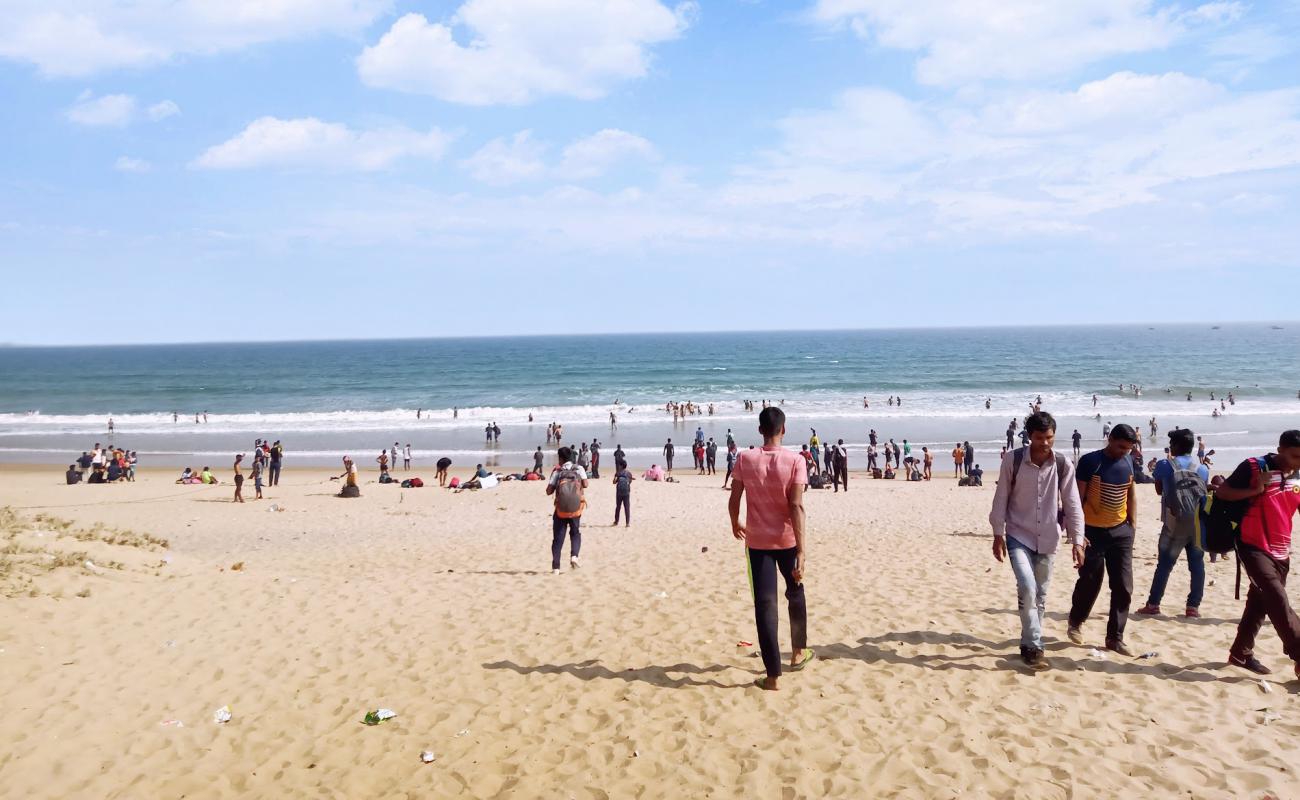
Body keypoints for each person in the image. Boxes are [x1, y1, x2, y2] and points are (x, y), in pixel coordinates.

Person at [990, 411, 1085, 669]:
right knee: (1028, 587)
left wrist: (1077, 539)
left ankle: (1028, 642)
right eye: (1039, 437)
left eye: (1049, 437)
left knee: (1040, 595)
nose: (1045, 443)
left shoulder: (1063, 464)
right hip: (1018, 534)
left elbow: (1072, 502)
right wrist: (998, 533)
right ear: (1029, 436)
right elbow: (1001, 496)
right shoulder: (1014, 459)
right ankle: (1034, 645)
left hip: (1049, 537)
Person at [728, 406, 812, 691]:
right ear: (783, 429)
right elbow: (796, 504)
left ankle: (773, 676)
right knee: (795, 592)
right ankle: (798, 653)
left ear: (760, 430)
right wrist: (801, 549)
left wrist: (734, 521)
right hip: (788, 541)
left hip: (758, 543)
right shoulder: (795, 461)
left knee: (765, 605)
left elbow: (735, 496)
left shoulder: (745, 458)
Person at [1218, 430, 1300, 676]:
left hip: (1282, 549)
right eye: (1295, 456)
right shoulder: (1254, 467)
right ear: (1280, 449)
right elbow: (1223, 493)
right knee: (1275, 595)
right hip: (1252, 545)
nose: (1298, 462)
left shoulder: (1298, 476)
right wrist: (1254, 490)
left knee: (1260, 602)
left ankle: (1240, 654)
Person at [1067, 424, 1139, 655]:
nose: (1124, 452)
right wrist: (1078, 534)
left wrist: (1132, 525)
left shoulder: (1128, 461)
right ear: (1110, 439)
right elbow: (1076, 499)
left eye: (1128, 448)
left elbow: (1131, 492)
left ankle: (1115, 638)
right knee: (1090, 581)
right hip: (1092, 532)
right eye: (1120, 446)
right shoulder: (1090, 462)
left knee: (1123, 585)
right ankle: (1076, 622)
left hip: (1121, 532)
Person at [1136, 428, 1209, 618]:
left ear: (1175, 446)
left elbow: (1159, 490)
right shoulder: (1202, 469)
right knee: (1197, 565)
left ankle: (1153, 604)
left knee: (1165, 565)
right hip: (1197, 524)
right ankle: (1193, 607)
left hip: (1174, 523)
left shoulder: (1165, 465)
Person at [546, 446, 588, 574]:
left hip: (561, 509)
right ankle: (574, 556)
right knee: (575, 533)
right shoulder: (579, 468)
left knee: (558, 538)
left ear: (561, 458)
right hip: (576, 508)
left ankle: (556, 568)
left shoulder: (557, 471)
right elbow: (586, 484)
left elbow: (548, 491)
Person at [612, 460, 634, 526]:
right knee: (627, 507)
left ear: (621, 466)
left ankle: (616, 521)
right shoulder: (629, 473)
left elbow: (614, 482)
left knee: (618, 507)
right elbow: (630, 482)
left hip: (619, 492)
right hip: (626, 492)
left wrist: (615, 478)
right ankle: (627, 523)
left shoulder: (618, 473)